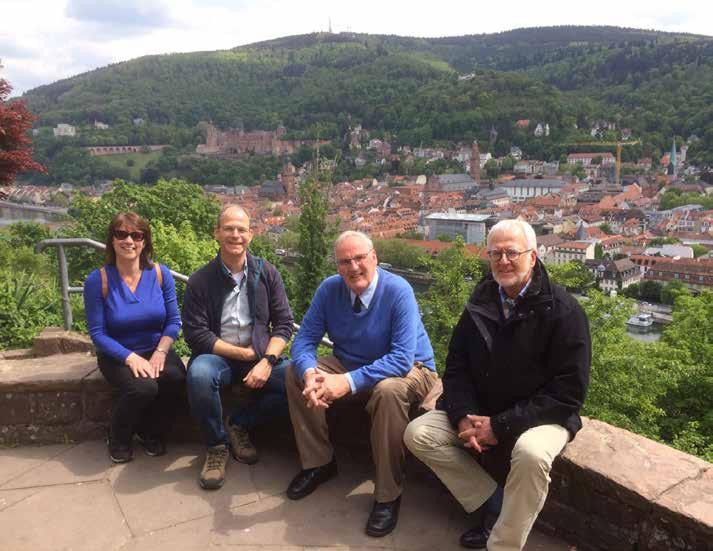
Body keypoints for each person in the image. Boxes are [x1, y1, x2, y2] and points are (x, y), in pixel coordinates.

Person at [404, 219, 591, 551]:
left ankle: (502, 544)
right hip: (482, 410)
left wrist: (501, 426)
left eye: (512, 253)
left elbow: (569, 393)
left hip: (542, 416)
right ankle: (494, 505)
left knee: (532, 455)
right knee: (418, 434)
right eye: (496, 254)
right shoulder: (481, 301)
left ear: (532, 257)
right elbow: (457, 367)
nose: (503, 261)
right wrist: (463, 415)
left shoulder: (563, 312)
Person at [286, 230, 440, 537]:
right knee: (293, 371)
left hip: (412, 369)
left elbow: (401, 358)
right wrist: (309, 374)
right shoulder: (330, 290)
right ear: (337, 266)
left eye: (359, 258)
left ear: (375, 258)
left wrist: (346, 381)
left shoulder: (398, 290)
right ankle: (319, 463)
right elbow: (303, 340)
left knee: (388, 391)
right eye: (344, 261)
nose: (353, 267)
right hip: (353, 363)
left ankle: (388, 494)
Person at [183, 205, 294, 490]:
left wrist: (267, 360)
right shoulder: (200, 280)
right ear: (217, 233)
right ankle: (216, 447)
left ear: (251, 235)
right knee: (198, 376)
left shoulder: (267, 273)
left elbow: (284, 324)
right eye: (229, 228)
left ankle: (240, 424)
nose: (235, 235)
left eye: (241, 229)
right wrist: (243, 354)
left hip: (259, 357)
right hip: (217, 356)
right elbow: (196, 334)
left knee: (299, 381)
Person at [84, 212, 185, 463]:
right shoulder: (99, 280)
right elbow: (97, 333)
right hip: (117, 353)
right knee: (143, 388)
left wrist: (160, 352)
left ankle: (151, 431)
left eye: (136, 235)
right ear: (112, 240)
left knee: (176, 378)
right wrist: (130, 358)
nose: (129, 240)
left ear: (144, 241)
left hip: (155, 347)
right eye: (121, 234)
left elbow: (173, 321)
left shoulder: (161, 274)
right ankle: (118, 436)